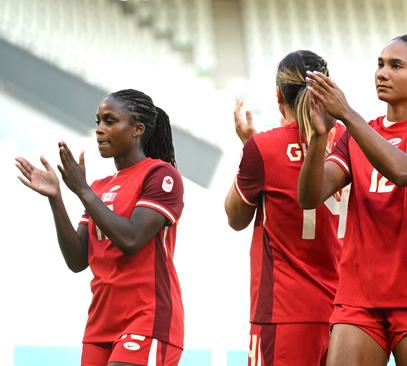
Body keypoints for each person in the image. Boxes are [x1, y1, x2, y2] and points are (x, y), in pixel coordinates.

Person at [298, 31, 407, 365]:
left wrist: (346, 114)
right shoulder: (357, 133)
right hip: (358, 294)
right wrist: (318, 137)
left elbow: (404, 171)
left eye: (396, 66)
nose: (382, 73)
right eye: (380, 64)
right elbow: (309, 196)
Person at [15, 89, 184, 365]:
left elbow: (131, 240)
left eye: (109, 121)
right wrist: (56, 198)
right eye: (98, 122)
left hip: (147, 319)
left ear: (137, 129)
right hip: (100, 324)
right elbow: (77, 259)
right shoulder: (100, 187)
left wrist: (82, 190)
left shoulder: (161, 175)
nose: (99, 130)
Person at [224, 50, 347, 366]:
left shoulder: (265, 146)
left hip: (284, 311)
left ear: (279, 94)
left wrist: (247, 151)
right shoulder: (352, 141)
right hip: (349, 314)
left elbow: (235, 217)